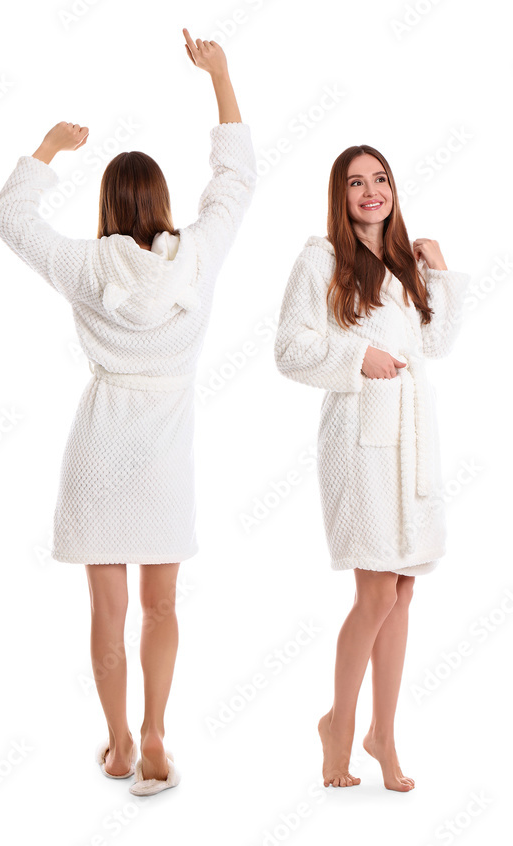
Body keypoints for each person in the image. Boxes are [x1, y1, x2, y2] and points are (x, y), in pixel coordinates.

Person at [0, 28, 255, 796]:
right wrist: (220, 74)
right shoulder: (197, 256)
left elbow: (9, 216)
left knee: (107, 608)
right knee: (160, 606)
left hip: (101, 444)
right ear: (164, 202)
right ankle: (156, 732)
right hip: (167, 450)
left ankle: (116, 743)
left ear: (107, 204)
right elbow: (236, 178)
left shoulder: (83, 264)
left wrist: (49, 148)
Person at [274, 144, 469, 791]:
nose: (370, 192)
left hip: (411, 439)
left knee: (403, 589)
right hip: (359, 440)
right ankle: (339, 724)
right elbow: (290, 348)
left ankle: (382, 734)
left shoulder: (405, 263)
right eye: (356, 183)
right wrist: (359, 357)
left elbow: (435, 344)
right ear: (341, 195)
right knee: (376, 592)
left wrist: (440, 273)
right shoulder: (321, 259)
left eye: (379, 179)